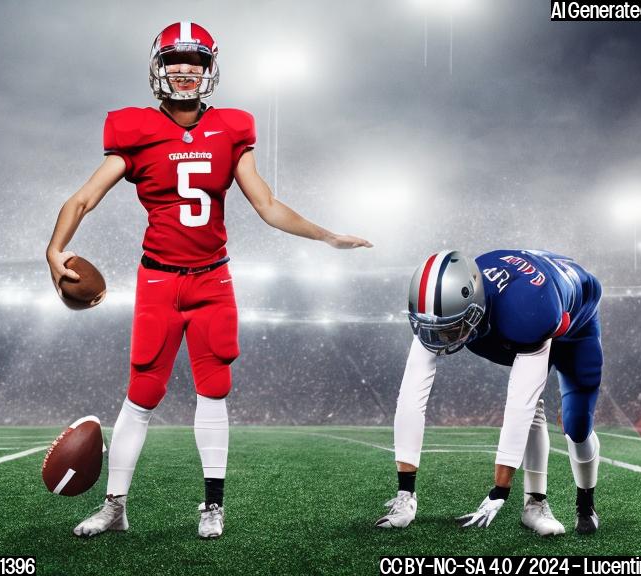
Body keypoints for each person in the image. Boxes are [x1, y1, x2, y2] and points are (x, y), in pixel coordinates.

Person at [46, 21, 371, 540]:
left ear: (209, 70)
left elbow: (266, 205)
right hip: (158, 282)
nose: (185, 71)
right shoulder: (134, 130)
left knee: (214, 391)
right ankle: (115, 506)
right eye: (176, 61)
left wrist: (326, 235)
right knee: (142, 394)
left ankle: (212, 506)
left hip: (212, 282)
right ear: (158, 68)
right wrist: (55, 246)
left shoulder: (233, 127)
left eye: (195, 62)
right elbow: (83, 197)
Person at [376, 249, 603, 536]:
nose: (439, 339)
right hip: (522, 309)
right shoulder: (440, 308)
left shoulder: (527, 309)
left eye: (450, 328)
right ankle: (536, 505)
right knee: (533, 408)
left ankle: (585, 504)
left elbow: (520, 402)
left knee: (576, 425)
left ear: (476, 306)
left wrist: (499, 491)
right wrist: (405, 493)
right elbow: (410, 396)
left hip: (574, 318)